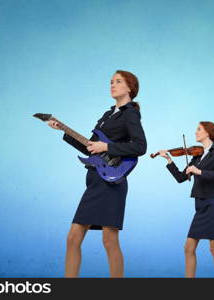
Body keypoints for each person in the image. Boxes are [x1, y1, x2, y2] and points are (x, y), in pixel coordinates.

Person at [48, 70, 146, 277]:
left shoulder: (130, 114)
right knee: (73, 239)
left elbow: (140, 146)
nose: (112, 85)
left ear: (130, 88)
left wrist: (107, 148)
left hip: (111, 182)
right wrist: (63, 131)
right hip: (95, 180)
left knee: (109, 240)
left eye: (118, 82)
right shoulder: (107, 115)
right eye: (111, 82)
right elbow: (89, 148)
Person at [157, 121, 214, 277]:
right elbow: (181, 178)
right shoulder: (196, 156)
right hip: (200, 206)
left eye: (199, 130)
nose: (195, 133)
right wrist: (169, 160)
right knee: (188, 248)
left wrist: (200, 172)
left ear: (208, 133)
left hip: (213, 204)